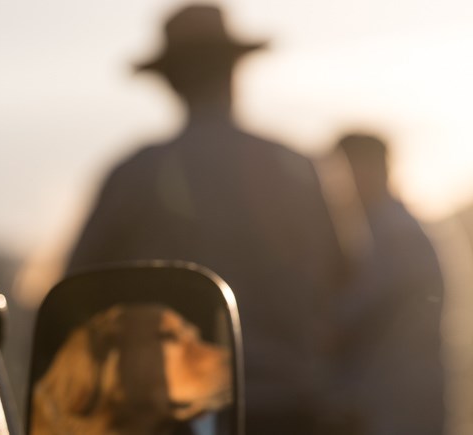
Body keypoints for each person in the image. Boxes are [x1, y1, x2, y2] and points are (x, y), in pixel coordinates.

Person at [66, 5, 347, 433]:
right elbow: (345, 274)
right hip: (294, 407)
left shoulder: (137, 174)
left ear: (171, 83)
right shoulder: (298, 167)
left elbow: (78, 289)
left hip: (178, 414)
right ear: (235, 72)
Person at [333, 134, 445, 435]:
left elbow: (352, 314)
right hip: (392, 398)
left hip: (393, 403)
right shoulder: (383, 226)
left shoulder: (394, 233)